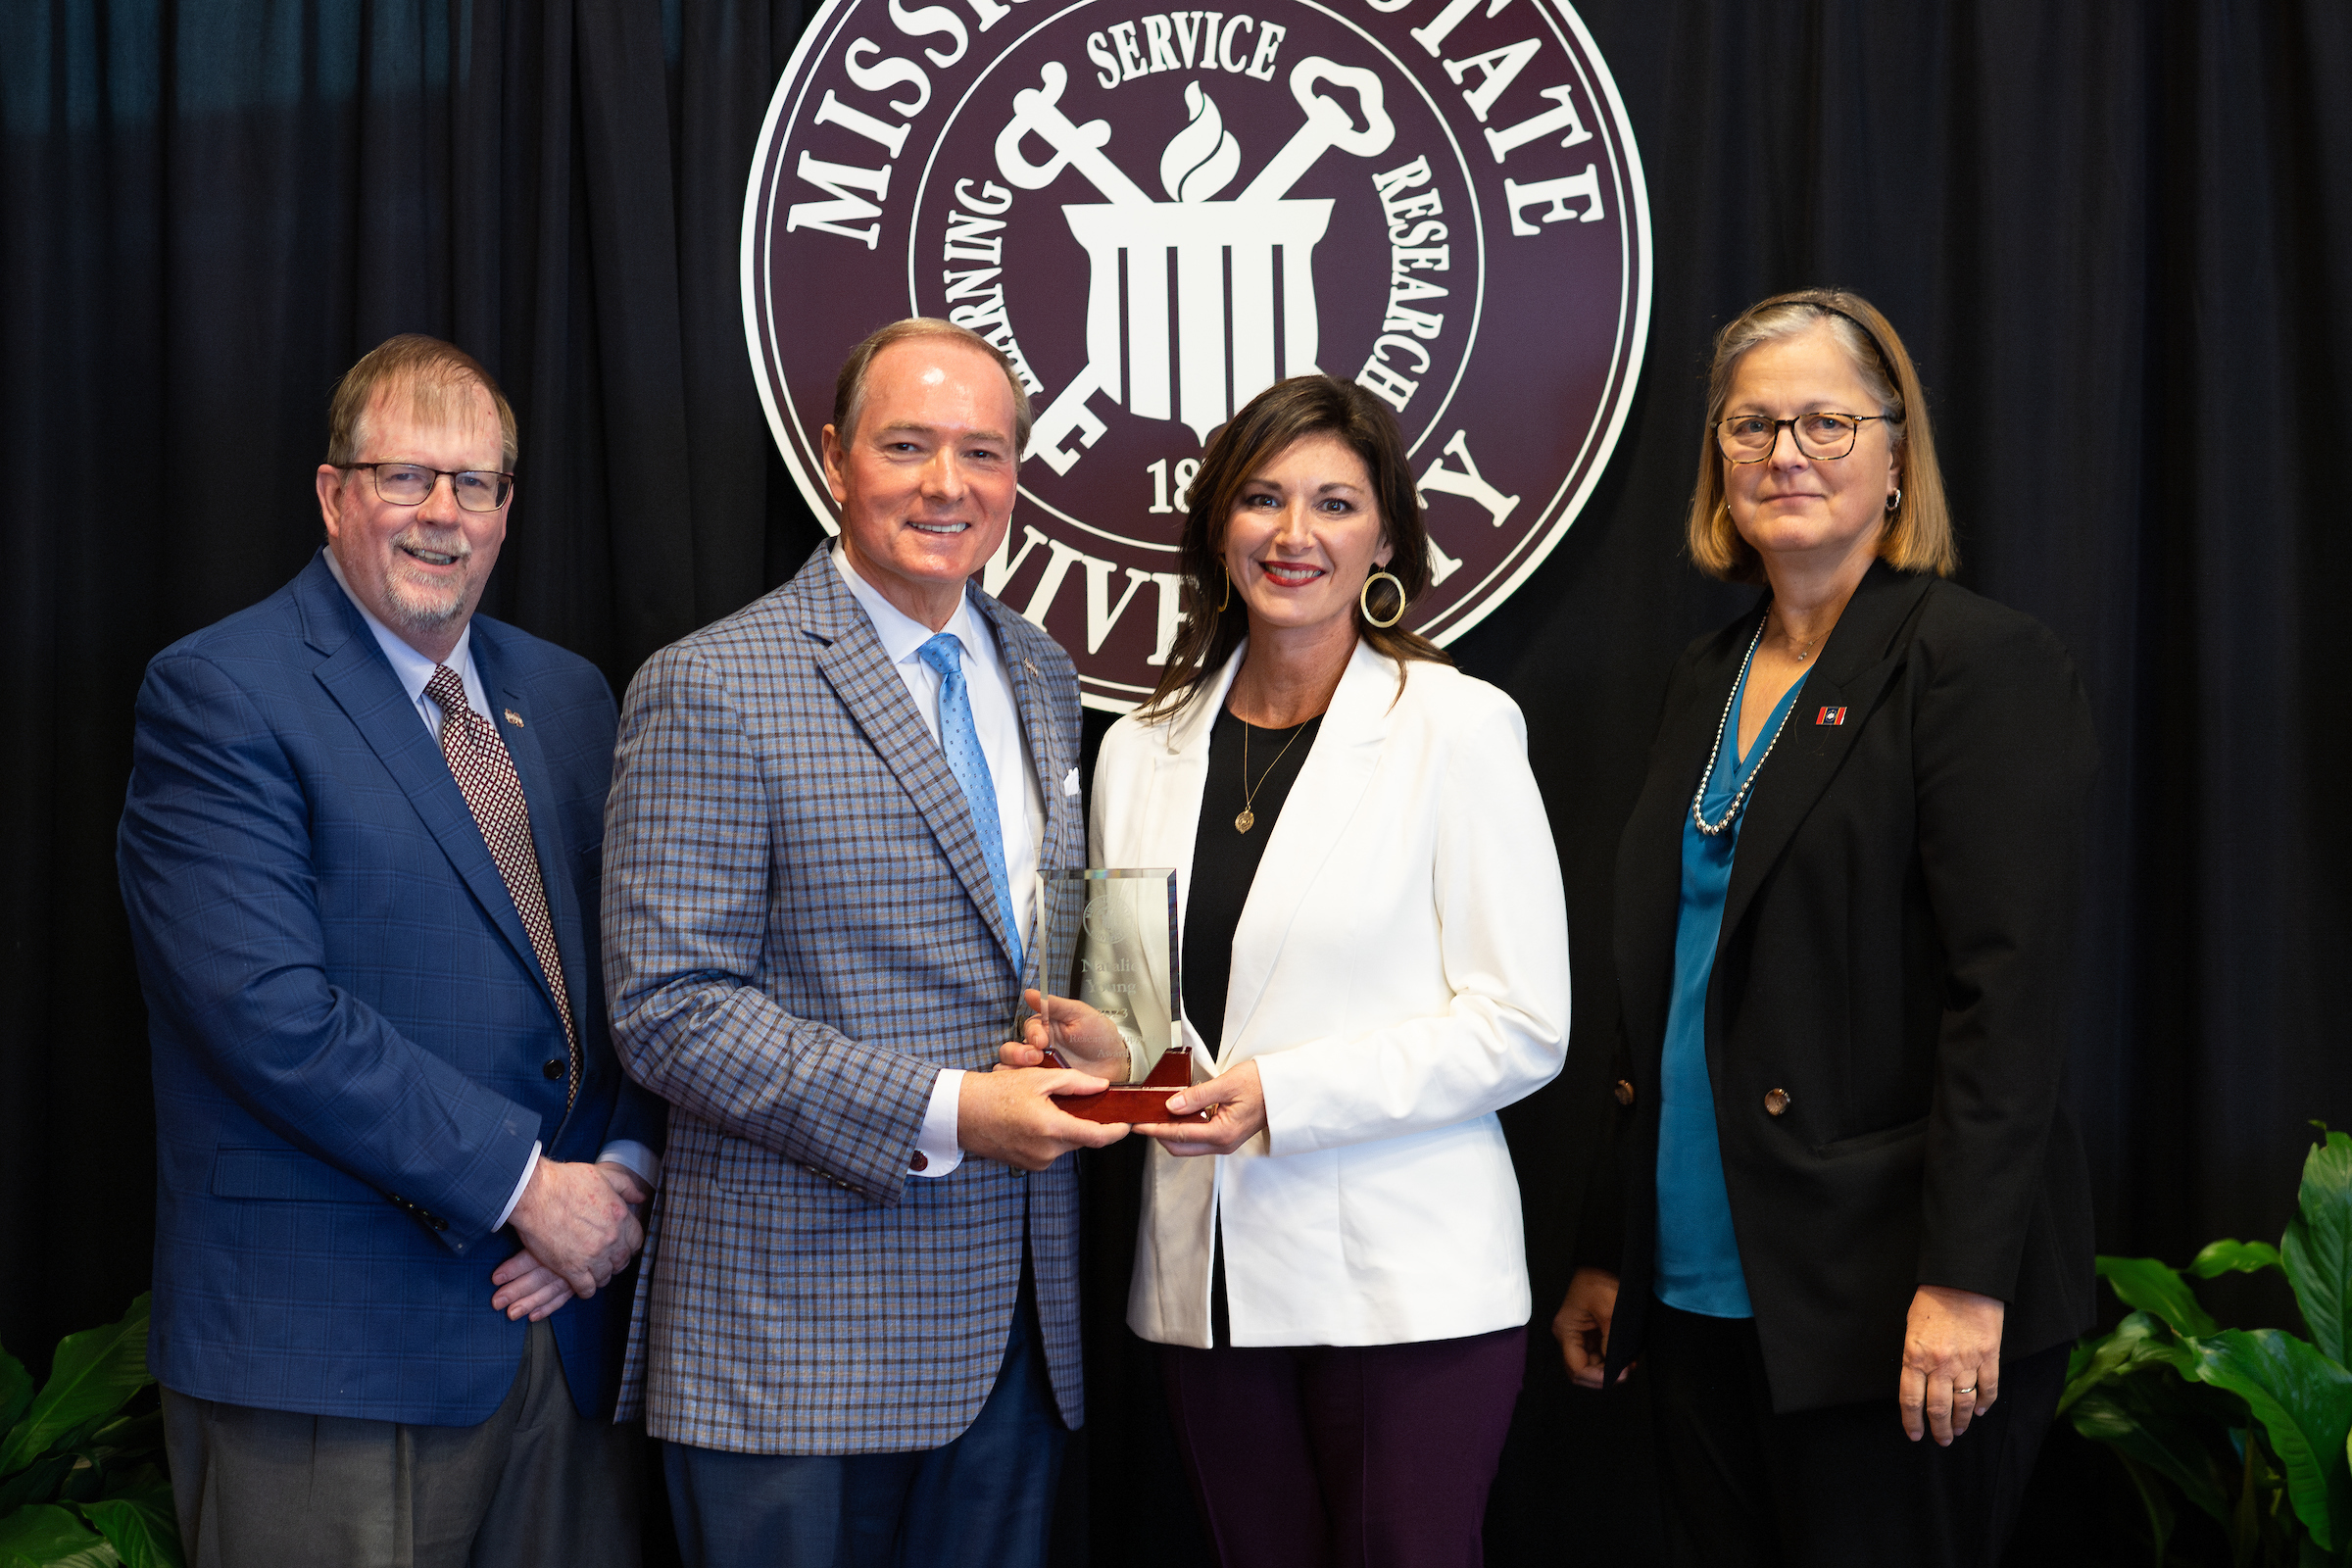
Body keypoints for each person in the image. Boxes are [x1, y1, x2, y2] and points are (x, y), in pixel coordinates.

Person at [1551, 288, 2098, 1565]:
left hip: (1889, 1299)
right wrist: (1609, 1248)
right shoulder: (1706, 677)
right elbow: (1669, 992)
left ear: (1898, 456)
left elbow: (2005, 1006)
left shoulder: (1977, 665)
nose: (1784, 452)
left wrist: (1966, 1281)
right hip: (1693, 1282)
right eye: (1751, 427)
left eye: (1825, 421)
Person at [117, 334, 665, 1567]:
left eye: (474, 484)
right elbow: (268, 1013)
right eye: (403, 477)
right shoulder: (221, 693)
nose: (441, 514)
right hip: (328, 1356)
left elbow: (647, 963)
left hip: (560, 1326)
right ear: (332, 493)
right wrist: (529, 1189)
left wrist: (620, 1174)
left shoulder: (570, 695)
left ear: (508, 510)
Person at [1006, 374, 1572, 1566]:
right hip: (1203, 1279)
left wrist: (1282, 1095)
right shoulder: (1139, 750)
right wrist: (1113, 1054)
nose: (1294, 535)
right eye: (1262, 499)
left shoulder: (1454, 726)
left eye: (1335, 503)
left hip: (1407, 1286)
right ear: (1219, 527)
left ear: (1385, 536)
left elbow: (1523, 1025)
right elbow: (1144, 1018)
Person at [601, 318, 1125, 1568]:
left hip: (1013, 1334)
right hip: (793, 1348)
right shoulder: (711, 684)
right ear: (835, 457)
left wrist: (1092, 1032)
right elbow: (669, 1005)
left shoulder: (1042, 672)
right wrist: (952, 1108)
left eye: (984, 454)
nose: (949, 486)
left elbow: (1028, 949)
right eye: (909, 445)